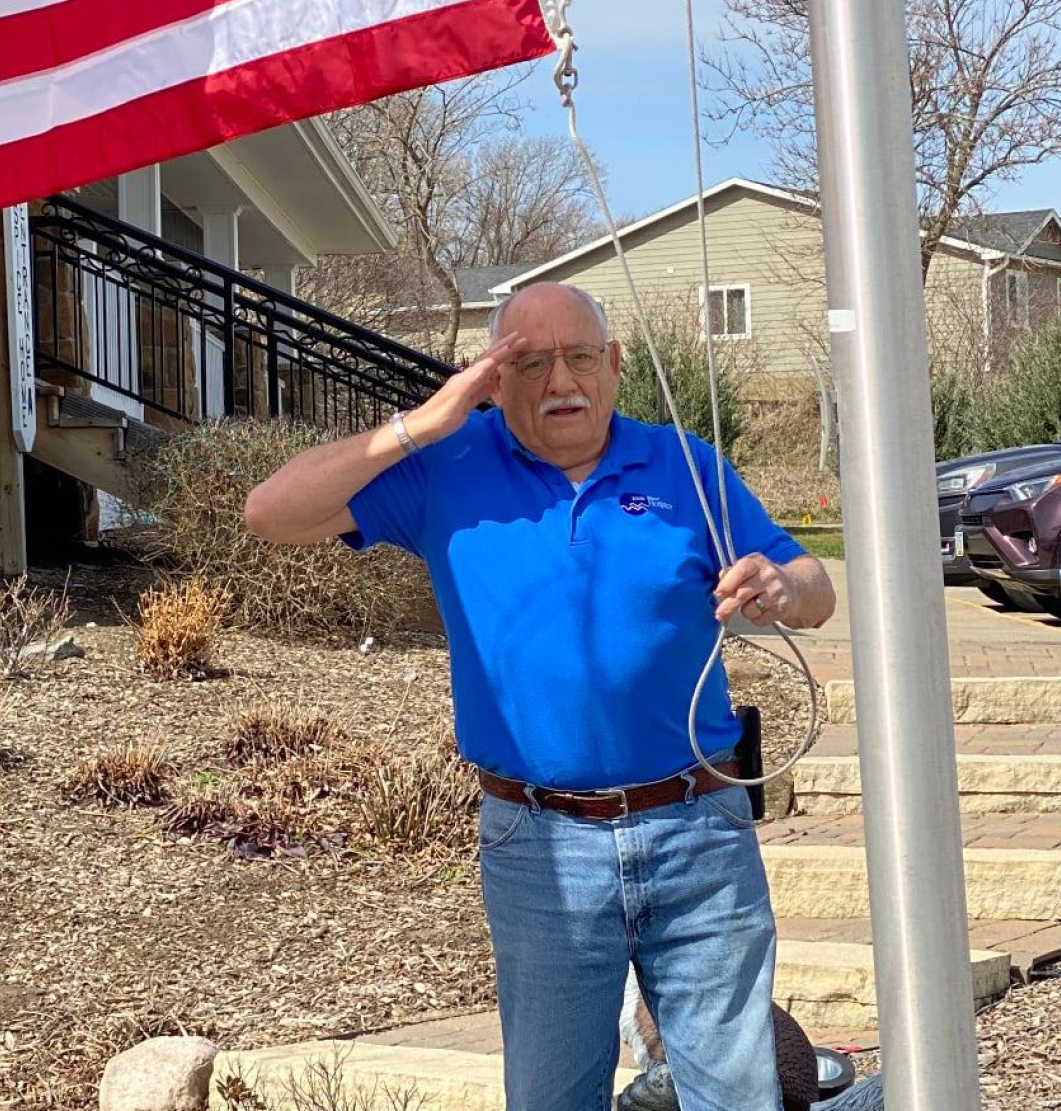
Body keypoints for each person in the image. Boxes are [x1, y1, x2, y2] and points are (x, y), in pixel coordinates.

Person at [244, 282, 837, 1111]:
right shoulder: (448, 469)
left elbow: (814, 589)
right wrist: (422, 423)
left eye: (581, 357)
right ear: (493, 377)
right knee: (552, 1096)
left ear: (615, 366)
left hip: (700, 829)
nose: (562, 380)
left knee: (737, 1095)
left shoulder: (686, 465)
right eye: (529, 362)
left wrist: (782, 584)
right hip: (539, 844)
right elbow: (269, 511)